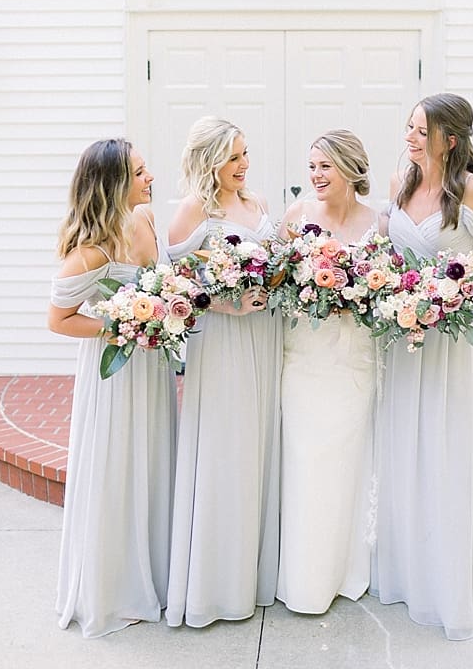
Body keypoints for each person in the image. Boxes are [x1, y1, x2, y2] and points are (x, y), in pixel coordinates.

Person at [371, 93, 473, 639]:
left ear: (449, 140)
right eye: (407, 126)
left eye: (418, 129)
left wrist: (458, 294)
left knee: (444, 446)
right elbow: (387, 253)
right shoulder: (399, 183)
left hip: (450, 341)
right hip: (402, 338)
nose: (408, 136)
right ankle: (408, 572)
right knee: (405, 444)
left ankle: (449, 580)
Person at [48, 138, 177, 638]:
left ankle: (158, 573)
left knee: (151, 461)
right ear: (115, 183)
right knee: (118, 466)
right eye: (141, 172)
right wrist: (122, 325)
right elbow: (58, 320)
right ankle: (116, 585)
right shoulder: (90, 253)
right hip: (114, 377)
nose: (150, 178)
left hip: (152, 371)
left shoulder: (144, 221)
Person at [164, 116, 281, 628]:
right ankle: (217, 583)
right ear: (210, 160)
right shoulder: (193, 211)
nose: (244, 164)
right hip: (225, 339)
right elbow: (179, 288)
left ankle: (258, 572)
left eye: (245, 153)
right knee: (225, 444)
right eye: (234, 156)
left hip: (266, 334)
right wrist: (230, 307)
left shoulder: (257, 204)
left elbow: (276, 263)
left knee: (259, 441)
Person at [275, 130, 378, 614]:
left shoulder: (377, 223)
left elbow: (388, 288)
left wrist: (358, 297)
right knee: (303, 457)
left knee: (344, 461)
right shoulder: (297, 218)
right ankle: (300, 575)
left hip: (352, 360)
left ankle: (341, 569)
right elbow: (275, 279)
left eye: (324, 167)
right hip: (306, 357)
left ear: (350, 169)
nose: (314, 176)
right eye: (311, 166)